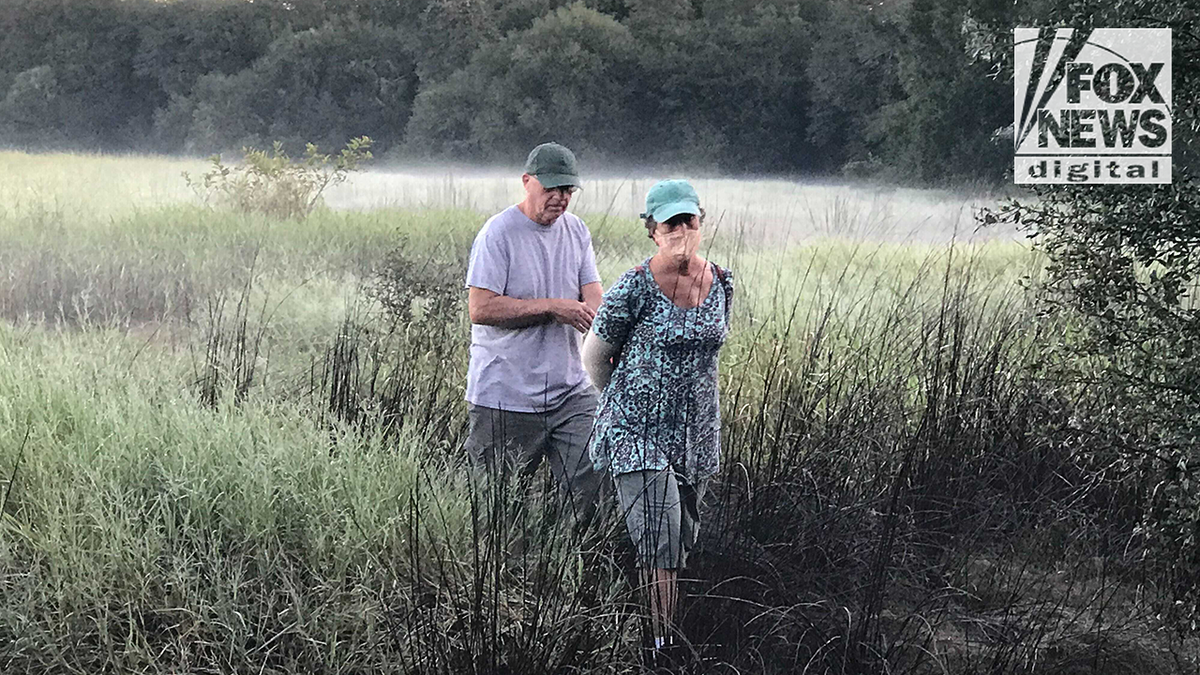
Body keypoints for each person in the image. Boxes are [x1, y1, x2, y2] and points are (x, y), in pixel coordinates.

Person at [581, 179, 733, 662]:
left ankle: (657, 623)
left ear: (700, 223)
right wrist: (626, 404)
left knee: (681, 539)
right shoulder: (633, 286)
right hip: (636, 432)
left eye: (688, 220)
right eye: (670, 223)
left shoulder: (722, 282)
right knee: (661, 539)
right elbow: (594, 358)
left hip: (696, 433)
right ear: (653, 231)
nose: (680, 231)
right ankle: (661, 646)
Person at [463, 142, 605, 527]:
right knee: (494, 507)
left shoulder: (576, 231)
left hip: (570, 392)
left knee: (593, 482)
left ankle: (567, 563)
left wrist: (602, 320)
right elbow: (482, 308)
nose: (560, 199)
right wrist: (553, 308)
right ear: (527, 182)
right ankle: (506, 575)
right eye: (552, 189)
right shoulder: (499, 234)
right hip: (504, 395)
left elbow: (593, 292)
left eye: (568, 191)